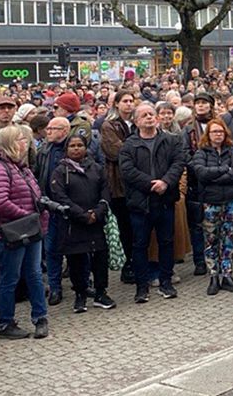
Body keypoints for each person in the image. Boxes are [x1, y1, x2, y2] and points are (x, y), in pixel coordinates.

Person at [119, 103, 187, 303]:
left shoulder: (171, 140)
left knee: (166, 242)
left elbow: (178, 163)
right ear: (136, 121)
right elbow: (127, 171)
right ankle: (142, 286)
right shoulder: (129, 145)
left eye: (151, 114)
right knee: (140, 245)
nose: (149, 117)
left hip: (165, 200)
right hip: (140, 203)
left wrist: (165, 182)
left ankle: (166, 282)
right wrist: (151, 184)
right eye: (144, 115)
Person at [0, 125, 49, 340]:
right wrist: (28, 216)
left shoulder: (22, 167)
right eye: (21, 139)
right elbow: (1, 202)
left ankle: (40, 317)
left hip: (31, 229)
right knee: (10, 278)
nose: (26, 143)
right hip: (13, 231)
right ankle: (6, 323)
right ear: (10, 143)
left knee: (34, 275)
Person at [49, 134, 116, 313]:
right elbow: (60, 196)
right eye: (72, 146)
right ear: (66, 149)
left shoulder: (96, 168)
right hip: (73, 224)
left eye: (80, 145)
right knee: (77, 261)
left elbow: (105, 191)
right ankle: (80, 294)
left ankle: (101, 293)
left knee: (100, 259)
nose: (76, 149)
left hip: (96, 221)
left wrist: (98, 211)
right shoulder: (60, 171)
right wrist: (81, 215)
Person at [189, 119, 233, 295]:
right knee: (211, 240)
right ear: (208, 135)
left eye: (220, 131)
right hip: (210, 204)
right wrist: (224, 170)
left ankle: (227, 275)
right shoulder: (201, 153)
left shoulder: (232, 151)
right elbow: (201, 173)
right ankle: (214, 276)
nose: (218, 135)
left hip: (230, 202)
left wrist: (216, 175)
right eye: (214, 132)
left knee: (228, 240)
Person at [100, 89, 138, 284]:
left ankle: (138, 262)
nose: (129, 104)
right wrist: (137, 149)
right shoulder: (109, 125)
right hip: (119, 185)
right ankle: (127, 264)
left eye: (131, 100)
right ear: (117, 104)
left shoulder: (138, 122)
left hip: (139, 183)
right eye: (125, 101)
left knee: (137, 227)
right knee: (124, 227)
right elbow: (115, 151)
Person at [33, 117, 71, 306]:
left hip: (72, 206)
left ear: (64, 130)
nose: (47, 132)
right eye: (47, 129)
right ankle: (55, 287)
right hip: (50, 208)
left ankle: (82, 283)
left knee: (76, 247)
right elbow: (38, 174)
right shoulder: (44, 151)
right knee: (52, 249)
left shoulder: (74, 147)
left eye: (52, 129)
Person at [183, 92, 217, 276]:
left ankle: (216, 257)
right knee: (196, 224)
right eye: (198, 103)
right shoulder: (188, 129)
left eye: (205, 103)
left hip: (216, 181)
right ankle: (199, 260)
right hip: (196, 182)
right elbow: (185, 153)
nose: (201, 106)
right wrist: (198, 167)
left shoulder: (219, 125)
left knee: (215, 222)